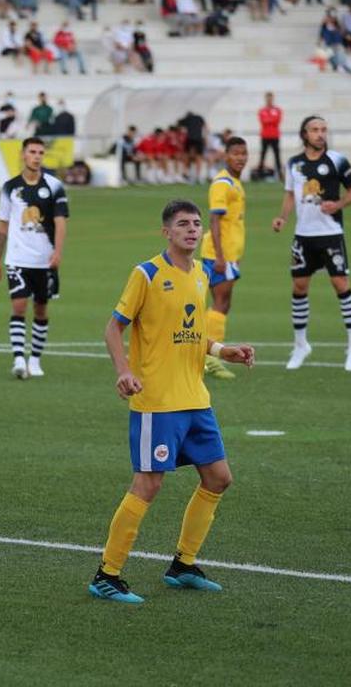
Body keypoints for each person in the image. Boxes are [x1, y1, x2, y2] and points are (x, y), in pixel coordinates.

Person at [88, 200, 255, 604]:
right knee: (148, 483)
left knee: (219, 478)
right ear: (166, 232)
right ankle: (107, 573)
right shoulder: (146, 274)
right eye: (183, 224)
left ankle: (183, 564)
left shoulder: (201, 273)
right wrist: (124, 370)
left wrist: (222, 349)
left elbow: (193, 333)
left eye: (197, 224)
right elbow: (113, 328)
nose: (193, 230)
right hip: (157, 401)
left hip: (195, 398)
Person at [271, 116, 351, 372]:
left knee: (341, 284)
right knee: (299, 286)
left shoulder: (337, 160)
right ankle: (301, 345)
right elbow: (290, 194)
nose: (320, 134)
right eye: (315, 130)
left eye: (323, 129)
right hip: (303, 235)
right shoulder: (294, 164)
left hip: (331, 233)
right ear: (304, 134)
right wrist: (282, 218)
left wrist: (339, 204)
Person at [0, 138, 69, 380]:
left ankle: (34, 360)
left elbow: (60, 222)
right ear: (23, 155)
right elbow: (2, 225)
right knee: (18, 306)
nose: (36, 156)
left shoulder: (55, 186)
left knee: (41, 309)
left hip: (45, 261)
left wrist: (57, 252)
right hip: (17, 258)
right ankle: (18, 359)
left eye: (40, 152)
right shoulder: (10, 188)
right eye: (32, 152)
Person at [199, 137, 248, 381]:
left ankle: (207, 354)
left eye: (244, 153)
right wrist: (219, 256)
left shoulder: (235, 183)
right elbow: (215, 220)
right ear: (226, 156)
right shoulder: (222, 183)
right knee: (220, 303)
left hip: (229, 256)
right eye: (236, 153)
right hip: (218, 255)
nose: (241, 158)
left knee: (223, 304)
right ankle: (209, 357)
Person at [257, 92, 283, 178]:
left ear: (273, 99)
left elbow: (277, 121)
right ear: (266, 99)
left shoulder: (277, 110)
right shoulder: (262, 110)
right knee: (263, 155)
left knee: (277, 155)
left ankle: (280, 174)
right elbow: (263, 121)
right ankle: (260, 174)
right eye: (268, 98)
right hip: (265, 136)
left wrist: (269, 120)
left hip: (275, 136)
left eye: (270, 98)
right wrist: (271, 120)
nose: (269, 100)